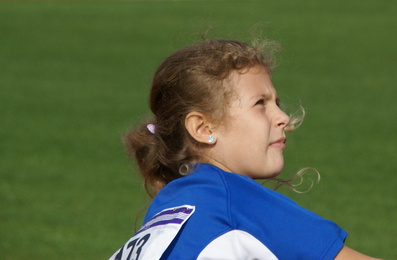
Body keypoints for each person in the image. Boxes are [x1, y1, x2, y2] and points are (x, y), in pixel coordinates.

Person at [109, 39, 382, 259]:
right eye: (260, 104)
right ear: (204, 129)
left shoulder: (166, 207)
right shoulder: (234, 200)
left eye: (276, 102)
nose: (283, 117)